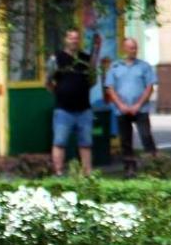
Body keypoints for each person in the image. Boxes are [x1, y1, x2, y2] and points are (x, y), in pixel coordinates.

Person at [46, 29, 96, 175]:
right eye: (71, 38)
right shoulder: (57, 58)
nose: (74, 40)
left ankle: (87, 173)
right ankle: (59, 173)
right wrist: (59, 93)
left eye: (76, 38)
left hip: (84, 109)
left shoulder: (86, 59)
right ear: (65, 39)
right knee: (59, 142)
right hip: (63, 109)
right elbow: (48, 81)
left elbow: (92, 80)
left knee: (86, 144)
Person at [104, 38, 158, 173]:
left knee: (146, 136)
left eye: (135, 48)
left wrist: (138, 105)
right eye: (130, 48)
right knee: (125, 140)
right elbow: (110, 88)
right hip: (121, 110)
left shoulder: (144, 66)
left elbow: (149, 87)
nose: (133, 51)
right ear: (124, 49)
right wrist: (121, 105)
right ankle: (129, 167)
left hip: (141, 109)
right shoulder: (115, 67)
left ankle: (154, 166)